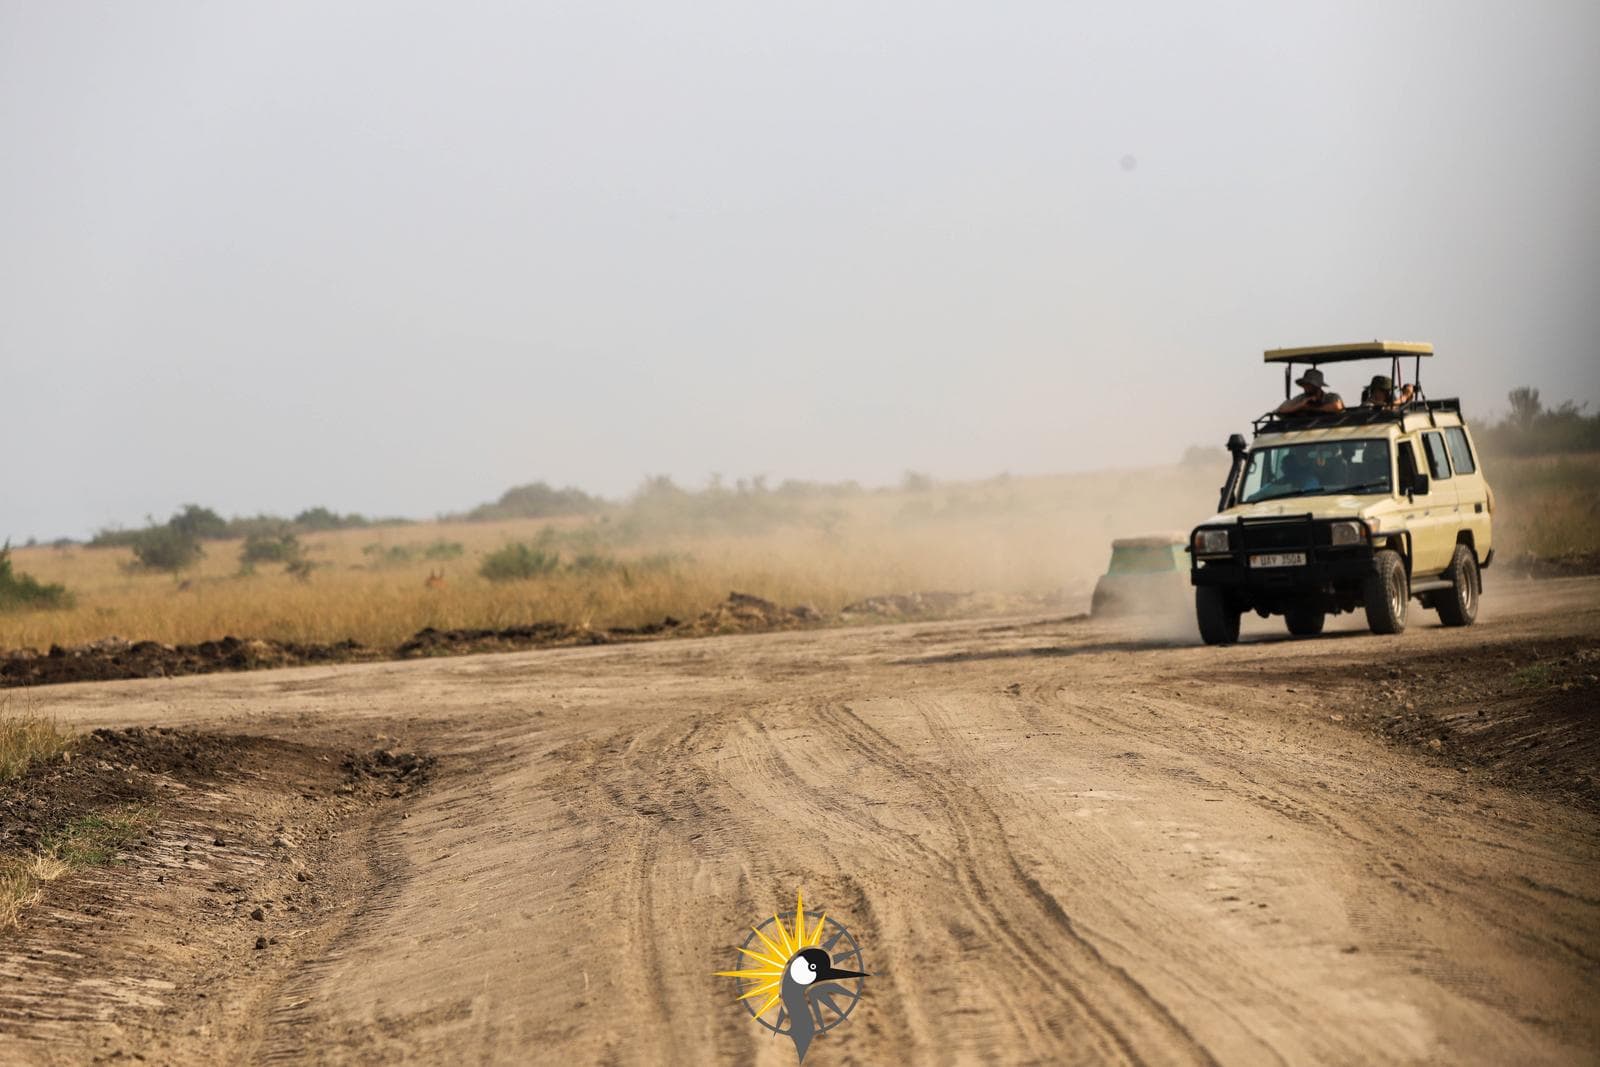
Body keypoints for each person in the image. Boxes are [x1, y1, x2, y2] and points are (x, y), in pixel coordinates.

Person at [1276, 368, 1344, 414]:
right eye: (1305, 384)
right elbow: (1281, 409)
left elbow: (1337, 407)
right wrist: (1301, 405)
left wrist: (1311, 409)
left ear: (1318, 386)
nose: (1305, 387)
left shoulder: (1331, 397)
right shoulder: (1302, 398)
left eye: (1309, 384)